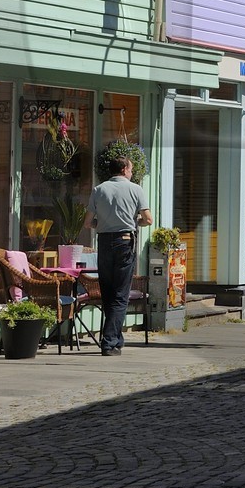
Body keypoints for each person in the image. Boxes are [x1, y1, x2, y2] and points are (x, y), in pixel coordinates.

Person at [82, 151, 152, 355]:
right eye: (131, 168)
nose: (131, 172)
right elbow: (148, 220)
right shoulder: (135, 189)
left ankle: (117, 338)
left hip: (104, 242)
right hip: (125, 241)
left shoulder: (99, 189)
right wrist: (134, 223)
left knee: (108, 291)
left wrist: (102, 224)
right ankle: (109, 341)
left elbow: (88, 223)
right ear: (124, 169)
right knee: (121, 294)